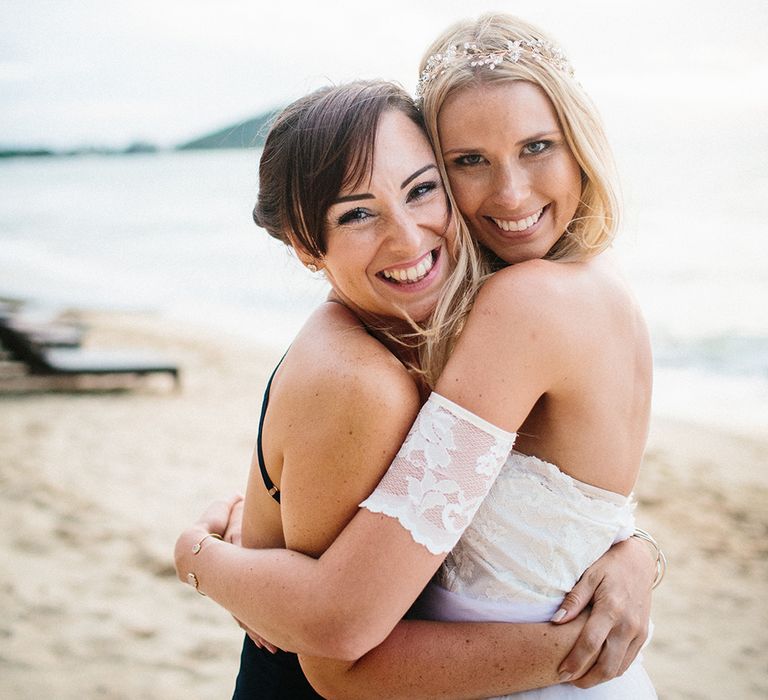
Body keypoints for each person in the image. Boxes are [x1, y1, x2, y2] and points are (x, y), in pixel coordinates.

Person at [175, 15, 661, 698]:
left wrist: (198, 556)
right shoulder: (593, 285)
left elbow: (342, 630)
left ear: (580, 143)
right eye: (468, 161)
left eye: (537, 146)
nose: (512, 194)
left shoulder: (524, 305)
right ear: (307, 248)